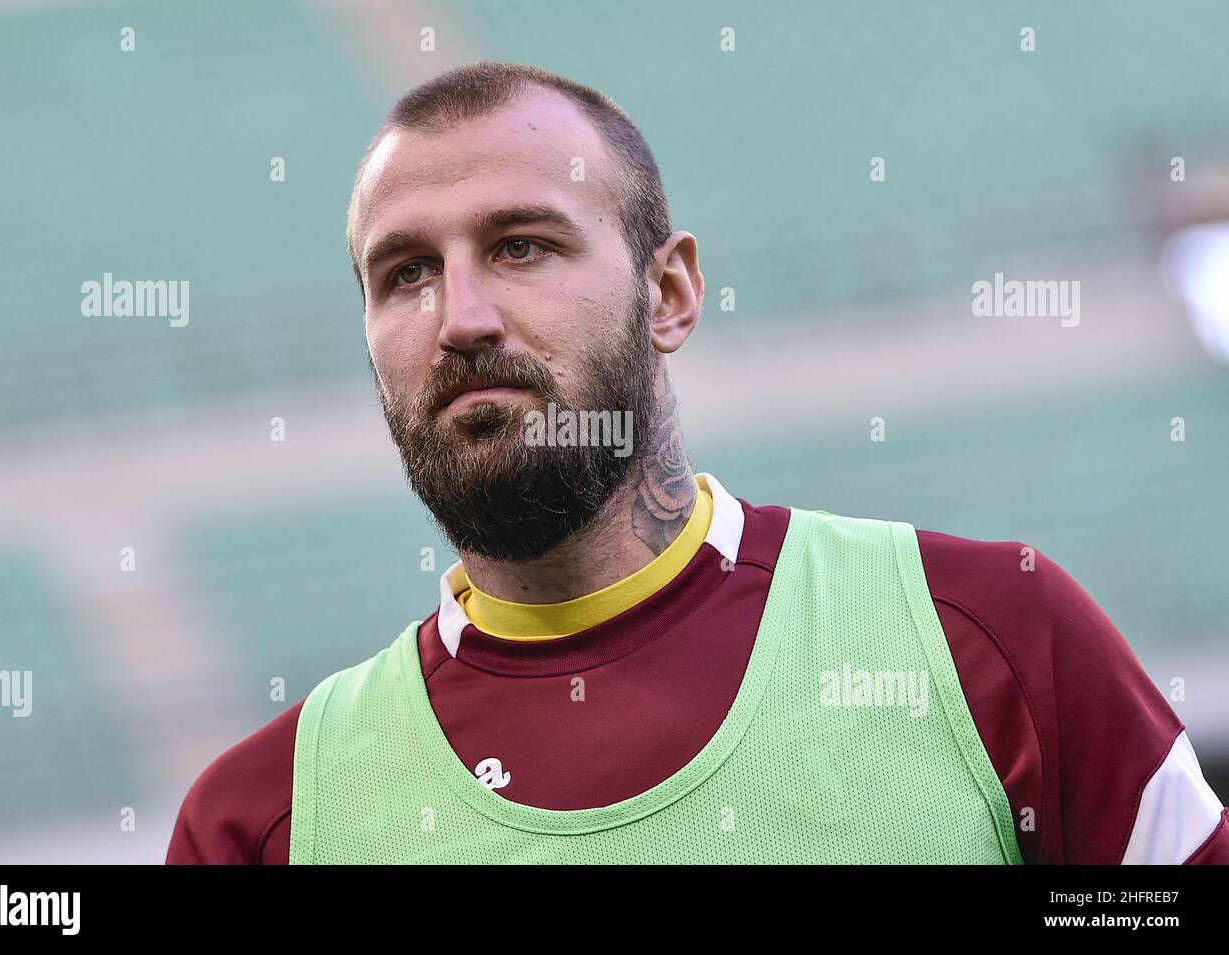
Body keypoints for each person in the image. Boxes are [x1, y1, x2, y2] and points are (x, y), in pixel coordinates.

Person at [166, 61, 1227, 864]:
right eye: (404, 274)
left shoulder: (990, 643)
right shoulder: (263, 821)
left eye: (522, 245)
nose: (462, 318)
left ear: (668, 292)